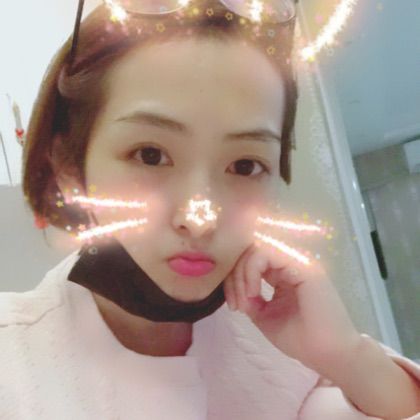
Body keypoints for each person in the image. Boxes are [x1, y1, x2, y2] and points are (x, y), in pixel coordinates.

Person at [1, 0, 419, 418]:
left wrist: (347, 356)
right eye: (150, 155)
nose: (200, 219)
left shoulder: (294, 355)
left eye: (245, 165)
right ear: (69, 167)